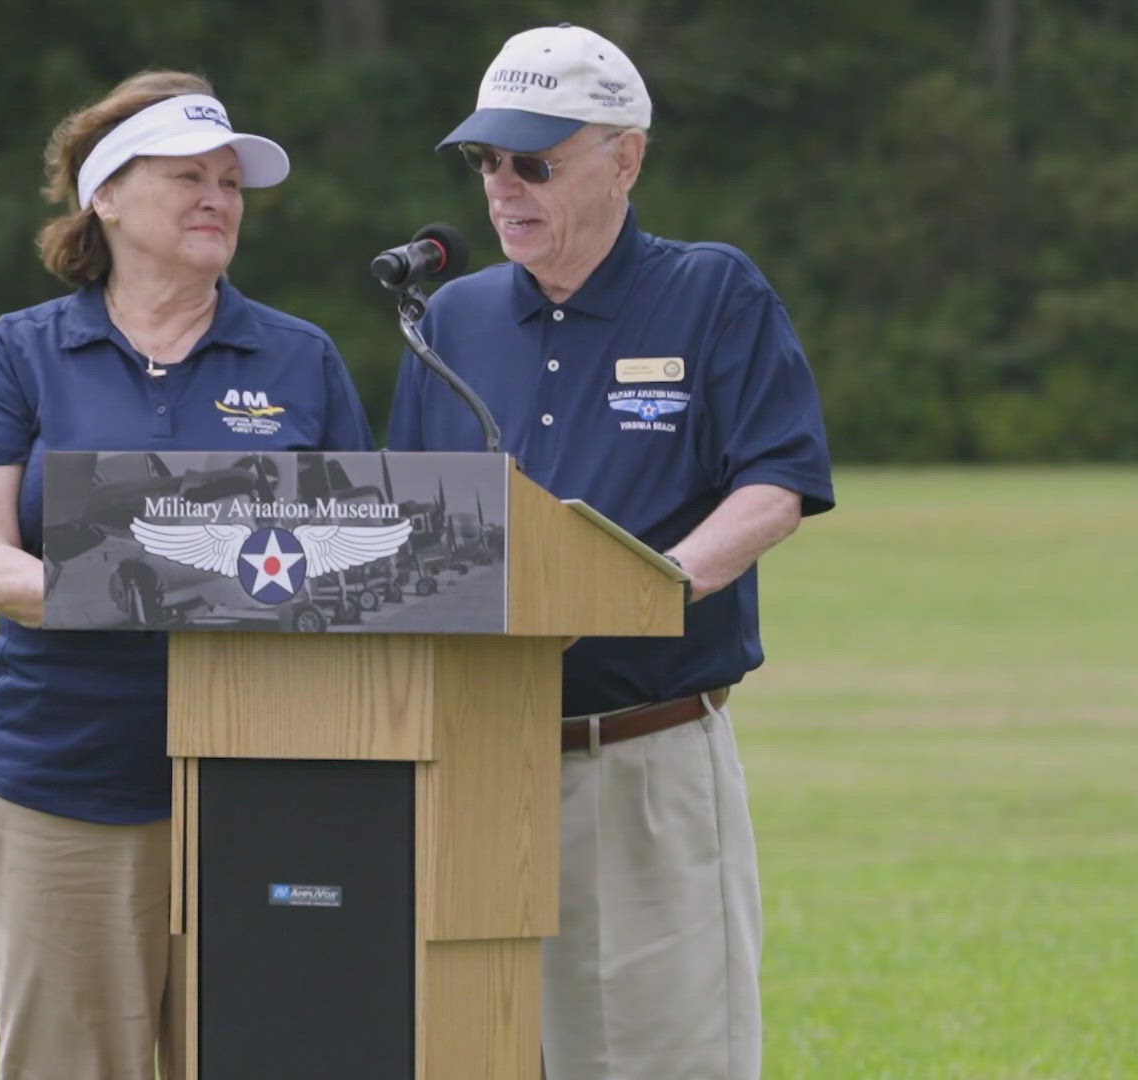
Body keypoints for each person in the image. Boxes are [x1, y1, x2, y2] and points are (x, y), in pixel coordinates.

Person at [385, 24, 835, 1080]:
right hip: (470, 762)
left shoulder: (712, 292)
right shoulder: (447, 320)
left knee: (664, 1057)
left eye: (535, 160)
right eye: (488, 162)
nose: (505, 187)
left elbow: (775, 485)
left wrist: (651, 584)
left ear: (624, 157)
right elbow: (408, 522)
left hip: (637, 755)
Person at [0, 71, 374, 1079]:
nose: (218, 198)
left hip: (266, 780)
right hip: (70, 775)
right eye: (188, 177)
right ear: (106, 197)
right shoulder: (22, 353)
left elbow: (360, 564)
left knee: (262, 1056)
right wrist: (185, 584)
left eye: (231, 181)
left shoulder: (302, 358)